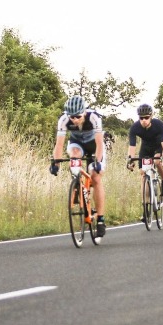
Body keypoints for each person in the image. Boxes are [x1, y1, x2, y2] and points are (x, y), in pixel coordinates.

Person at [50, 96, 108, 237]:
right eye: (72, 117)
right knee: (74, 154)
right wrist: (56, 162)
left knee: (95, 177)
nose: (74, 120)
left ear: (84, 112)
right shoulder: (63, 120)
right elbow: (59, 144)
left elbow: (100, 144)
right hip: (77, 144)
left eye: (77, 116)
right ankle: (77, 183)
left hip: (94, 145)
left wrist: (98, 162)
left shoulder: (94, 118)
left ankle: (100, 218)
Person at [126, 104, 163, 217]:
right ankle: (145, 207)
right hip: (145, 148)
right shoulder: (135, 127)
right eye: (141, 118)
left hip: (158, 146)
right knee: (143, 174)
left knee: (156, 162)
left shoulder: (159, 125)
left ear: (151, 116)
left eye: (146, 117)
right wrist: (130, 161)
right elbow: (132, 147)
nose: (144, 120)